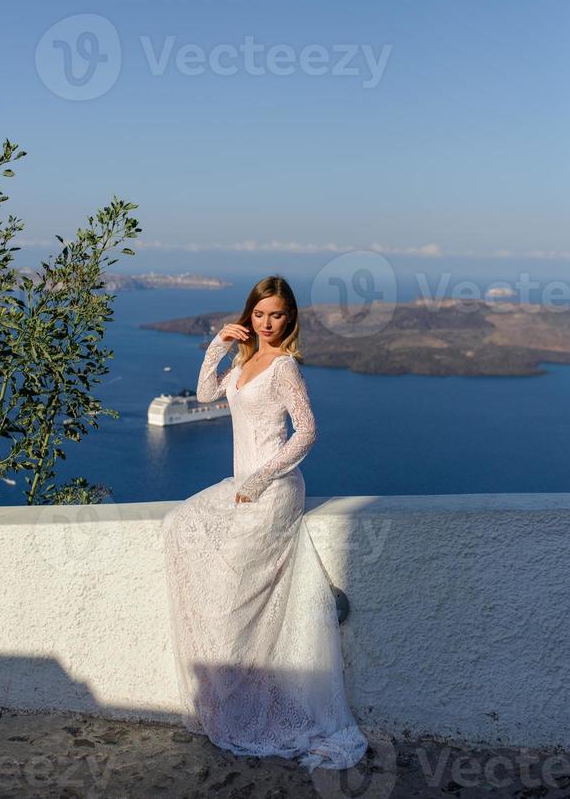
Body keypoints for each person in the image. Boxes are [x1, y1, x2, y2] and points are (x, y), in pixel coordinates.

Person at [162, 275, 368, 774]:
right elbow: (208, 393)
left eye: (277, 315)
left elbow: (307, 432)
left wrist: (259, 479)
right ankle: (233, 705)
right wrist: (216, 344)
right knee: (179, 523)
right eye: (260, 314)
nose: (268, 323)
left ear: (289, 318)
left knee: (237, 604)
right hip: (244, 486)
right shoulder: (242, 362)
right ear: (249, 315)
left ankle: (265, 710)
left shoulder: (284, 366)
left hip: (273, 490)